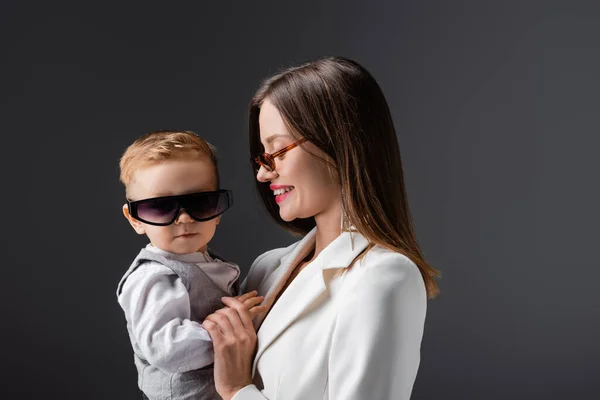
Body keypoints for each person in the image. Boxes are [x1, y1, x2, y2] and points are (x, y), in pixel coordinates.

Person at [201, 57, 441, 400]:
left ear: (339, 142)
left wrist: (238, 390)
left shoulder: (384, 276)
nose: (263, 174)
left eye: (278, 151)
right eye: (261, 157)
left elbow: (234, 385)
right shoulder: (266, 268)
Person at [116, 130, 266, 400]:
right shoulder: (154, 275)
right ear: (135, 219)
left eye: (201, 203)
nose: (184, 218)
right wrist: (229, 328)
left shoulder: (206, 262)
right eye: (160, 208)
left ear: (218, 210)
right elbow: (166, 349)